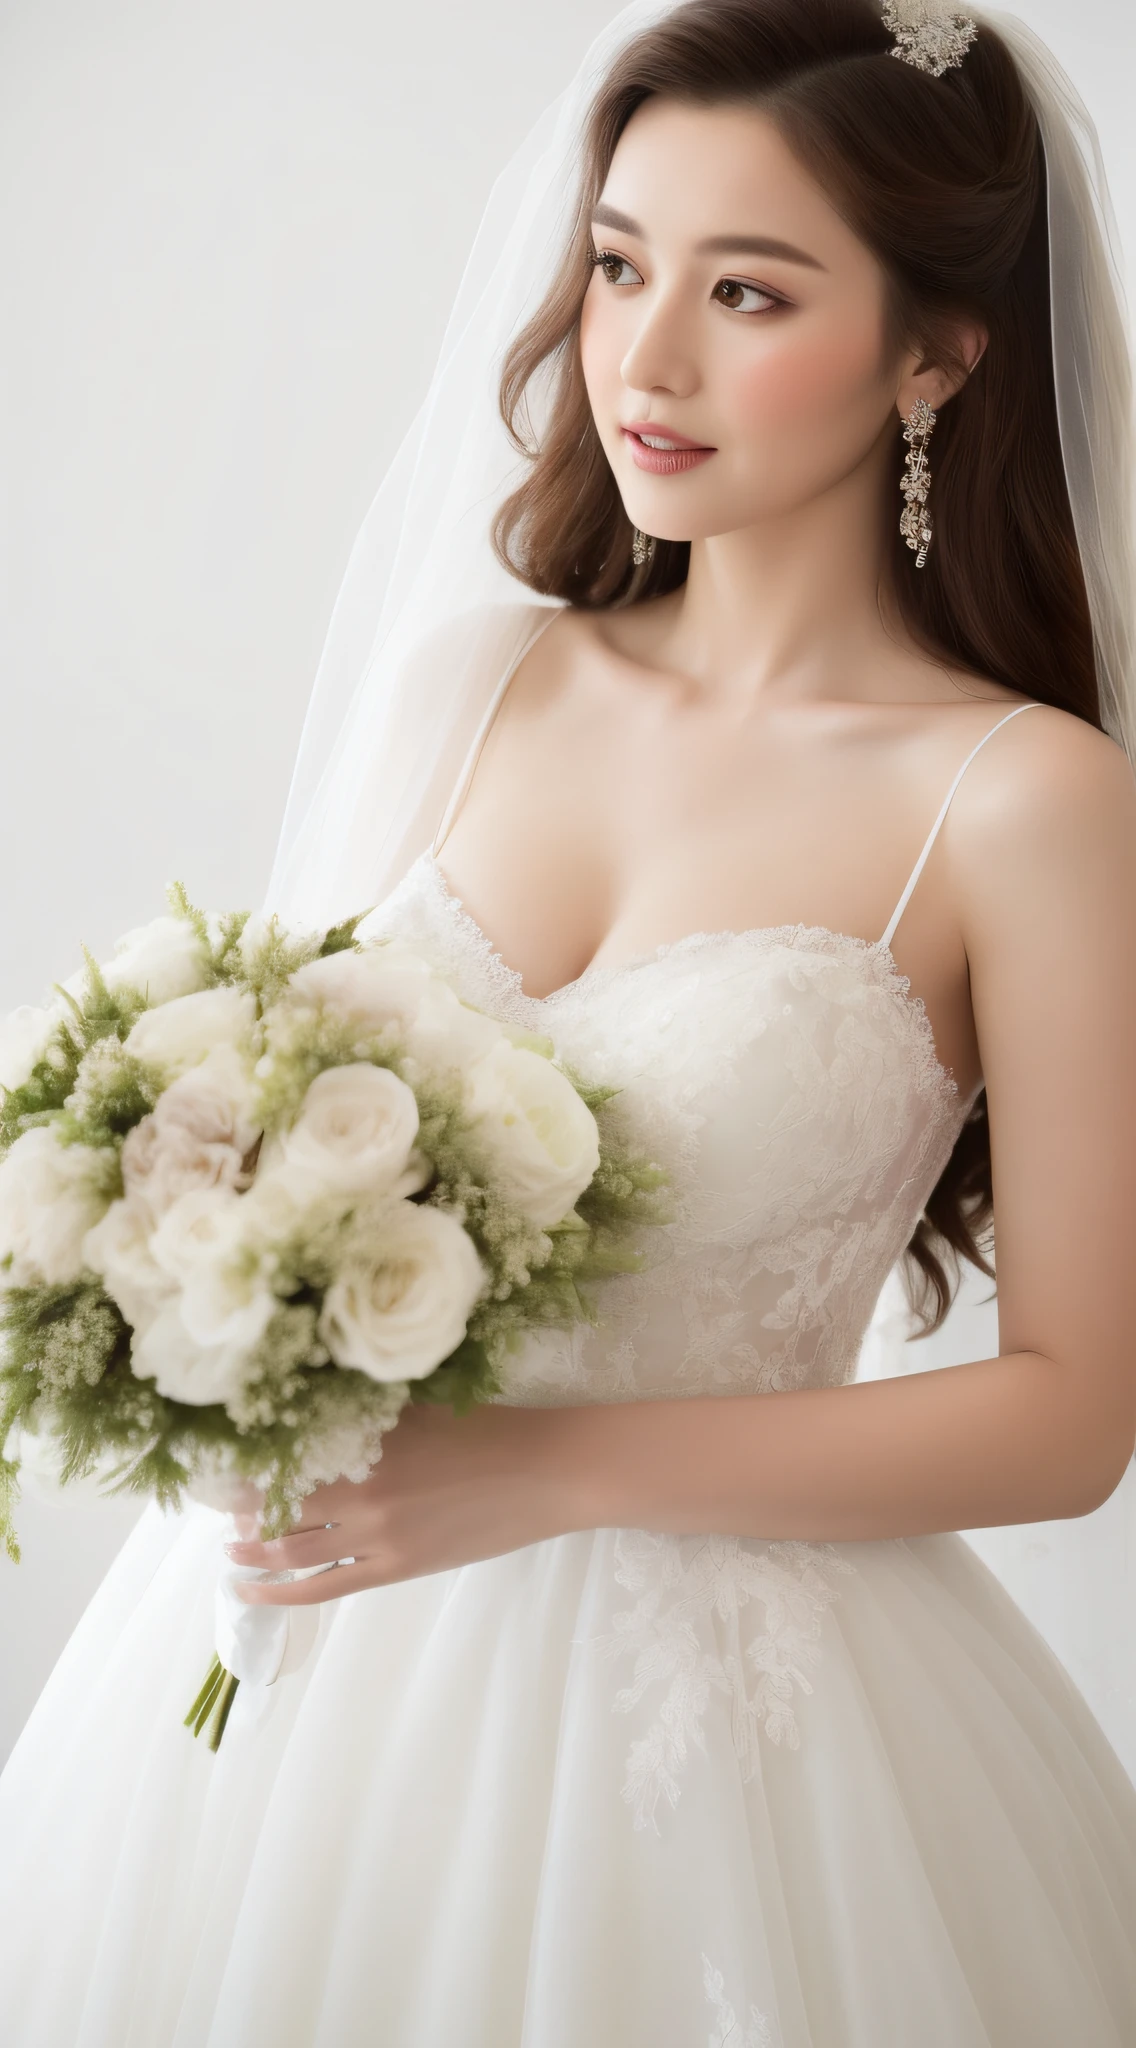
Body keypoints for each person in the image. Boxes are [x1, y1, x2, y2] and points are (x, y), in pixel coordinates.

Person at [2, 1, 1135, 2041]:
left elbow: (1068, 1415)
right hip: (301, 1672)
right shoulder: (478, 681)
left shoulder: (1023, 799)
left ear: (937, 353)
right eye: (617, 263)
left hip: (741, 1746)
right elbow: (261, 1118)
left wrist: (532, 1473)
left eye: (746, 290)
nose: (646, 355)